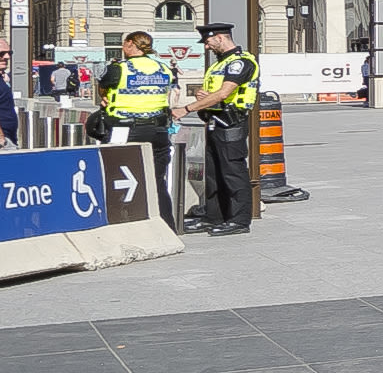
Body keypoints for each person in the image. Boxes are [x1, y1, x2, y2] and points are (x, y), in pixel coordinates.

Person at [94, 30, 179, 223]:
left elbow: (103, 87)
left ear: (130, 44)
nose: (123, 48)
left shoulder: (120, 68)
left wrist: (105, 97)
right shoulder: (163, 68)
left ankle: (120, 221)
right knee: (157, 181)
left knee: (115, 177)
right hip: (158, 130)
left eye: (124, 44)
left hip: (124, 129)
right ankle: (166, 225)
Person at [186, 26, 259, 233]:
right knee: (214, 173)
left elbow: (224, 93)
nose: (207, 47)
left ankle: (239, 220)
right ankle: (213, 217)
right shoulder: (220, 64)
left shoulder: (240, 61)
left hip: (231, 122)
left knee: (233, 172)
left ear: (220, 38)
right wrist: (203, 96)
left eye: (208, 42)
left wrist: (186, 109)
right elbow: (214, 94)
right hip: (214, 122)